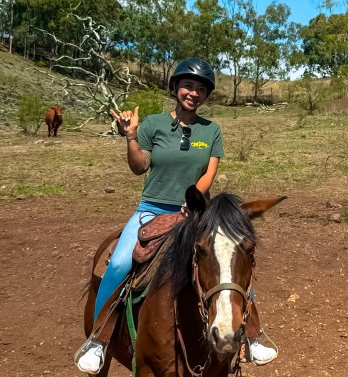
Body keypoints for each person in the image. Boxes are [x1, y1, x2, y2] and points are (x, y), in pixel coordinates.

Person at [75, 57, 277, 373]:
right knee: (119, 262)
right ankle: (98, 340)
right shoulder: (153, 124)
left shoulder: (211, 130)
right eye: (187, 85)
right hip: (152, 210)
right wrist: (131, 137)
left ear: (206, 95)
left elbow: (210, 171)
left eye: (200, 88)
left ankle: (253, 335)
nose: (193, 93)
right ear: (175, 88)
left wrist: (194, 200)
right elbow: (139, 166)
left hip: (196, 212)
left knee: (230, 263)